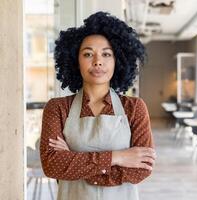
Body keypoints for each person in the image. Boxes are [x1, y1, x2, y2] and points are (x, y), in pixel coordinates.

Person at [40, 11, 156, 200]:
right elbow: (52, 165)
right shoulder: (57, 108)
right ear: (75, 61)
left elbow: (142, 169)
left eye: (106, 54)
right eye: (88, 54)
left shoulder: (134, 108)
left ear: (117, 60)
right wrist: (118, 157)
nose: (98, 61)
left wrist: (73, 159)